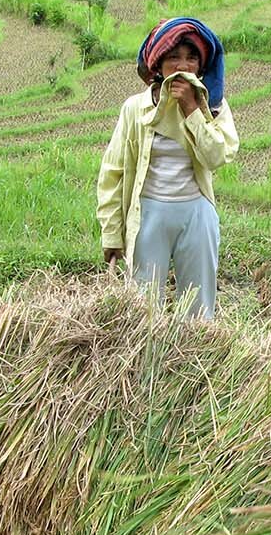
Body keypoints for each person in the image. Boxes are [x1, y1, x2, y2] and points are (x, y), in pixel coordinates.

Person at [96, 17, 239, 319]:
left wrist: (191, 109)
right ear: (158, 64)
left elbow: (217, 157)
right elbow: (113, 172)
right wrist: (111, 234)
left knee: (198, 310)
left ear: (201, 66)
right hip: (148, 214)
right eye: (174, 57)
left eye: (192, 58)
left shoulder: (213, 106)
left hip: (196, 213)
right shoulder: (135, 108)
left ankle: (197, 350)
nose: (183, 66)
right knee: (143, 310)